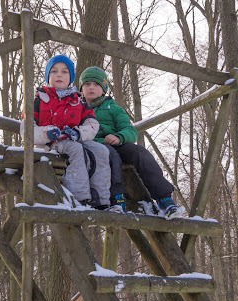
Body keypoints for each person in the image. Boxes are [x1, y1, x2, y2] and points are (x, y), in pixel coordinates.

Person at [79, 66, 185, 220]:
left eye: (96, 84)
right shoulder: (78, 109)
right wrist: (102, 140)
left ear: (103, 89)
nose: (91, 87)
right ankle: (117, 199)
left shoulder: (114, 110)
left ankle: (164, 199)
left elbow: (131, 131)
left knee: (140, 153)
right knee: (111, 155)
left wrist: (119, 137)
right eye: (87, 84)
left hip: (117, 143)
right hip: (97, 147)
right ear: (81, 89)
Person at [20, 55, 122, 212]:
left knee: (101, 150)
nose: (59, 74)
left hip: (73, 139)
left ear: (71, 78)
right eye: (54, 71)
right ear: (48, 77)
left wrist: (77, 133)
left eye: (64, 72)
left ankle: (101, 200)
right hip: (47, 144)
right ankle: (80, 198)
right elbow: (26, 129)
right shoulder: (38, 100)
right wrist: (47, 133)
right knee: (75, 149)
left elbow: (92, 124)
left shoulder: (78, 101)